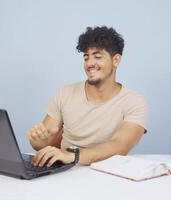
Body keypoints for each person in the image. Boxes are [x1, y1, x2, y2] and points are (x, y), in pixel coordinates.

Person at [27, 26, 148, 167]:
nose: (89, 63)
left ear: (116, 60)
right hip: (63, 172)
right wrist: (38, 143)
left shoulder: (135, 102)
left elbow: (120, 145)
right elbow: (45, 140)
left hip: (107, 174)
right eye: (86, 57)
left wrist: (72, 156)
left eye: (97, 56)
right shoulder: (64, 93)